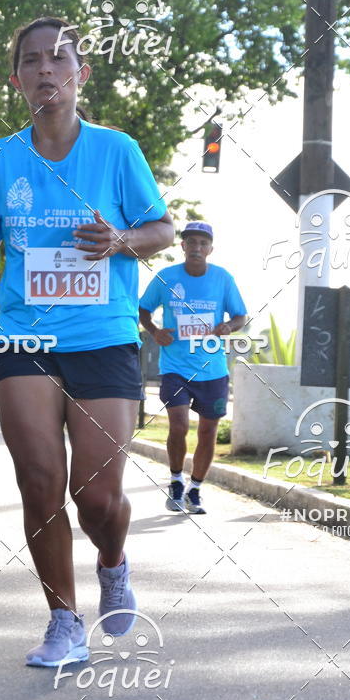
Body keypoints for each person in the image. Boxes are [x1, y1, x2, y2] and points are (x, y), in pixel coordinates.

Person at [0, 16, 173, 668]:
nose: (45, 68)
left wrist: (122, 240)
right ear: (16, 79)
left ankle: (113, 563)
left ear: (82, 73)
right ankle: (63, 621)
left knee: (97, 498)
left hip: (103, 335)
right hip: (24, 336)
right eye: (31, 60)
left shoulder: (117, 150)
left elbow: (162, 229)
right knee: (40, 482)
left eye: (58, 57)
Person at [139, 221, 247, 515]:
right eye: (192, 242)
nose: (197, 248)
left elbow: (241, 316)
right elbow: (143, 309)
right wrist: (154, 331)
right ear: (183, 246)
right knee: (179, 425)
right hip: (175, 367)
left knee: (208, 432)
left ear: (210, 248)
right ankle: (176, 482)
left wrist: (228, 326)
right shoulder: (166, 277)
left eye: (203, 243)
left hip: (213, 369)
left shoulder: (222, 279)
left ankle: (195, 489)